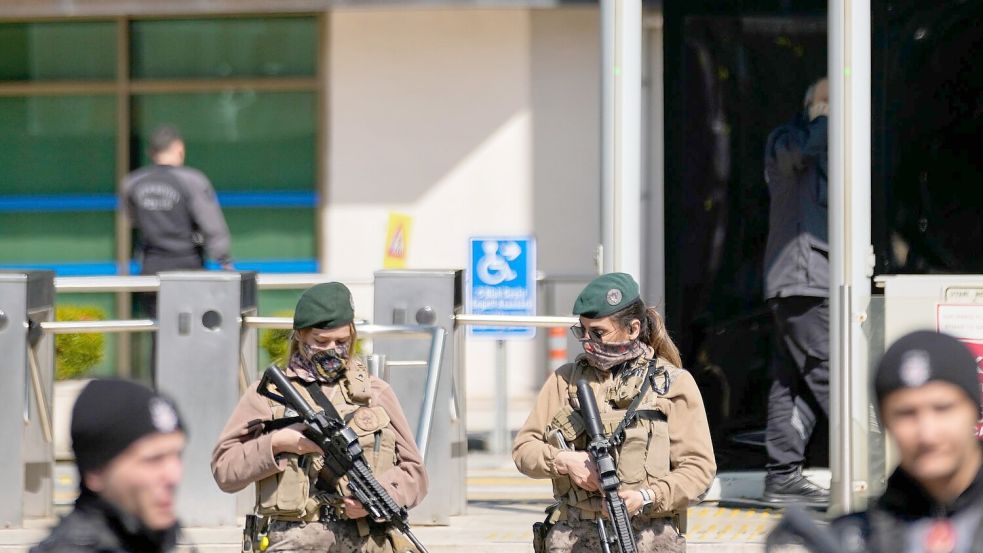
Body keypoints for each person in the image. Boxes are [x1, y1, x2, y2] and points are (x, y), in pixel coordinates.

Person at [211, 282, 428, 552]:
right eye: (321, 341)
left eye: (342, 342)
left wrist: (379, 496)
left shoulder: (375, 392)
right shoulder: (268, 394)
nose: (332, 349)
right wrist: (277, 443)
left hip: (365, 540)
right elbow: (224, 470)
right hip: (295, 539)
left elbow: (415, 474)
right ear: (300, 336)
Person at [513, 272, 716, 553]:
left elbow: (699, 469)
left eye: (598, 332)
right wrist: (564, 460)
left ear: (633, 329)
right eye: (581, 330)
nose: (586, 340)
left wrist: (647, 496)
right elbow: (524, 450)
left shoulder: (671, 383)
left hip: (649, 538)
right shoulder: (565, 380)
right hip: (574, 537)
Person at [768, 330, 983, 552]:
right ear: (885, 422)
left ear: (975, 412)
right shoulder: (858, 537)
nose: (927, 434)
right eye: (906, 414)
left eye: (943, 409)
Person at [761, 77, 831, 506]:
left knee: (792, 383)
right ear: (810, 105)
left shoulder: (833, 150)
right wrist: (823, 120)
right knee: (835, 378)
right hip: (803, 282)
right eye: (826, 99)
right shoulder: (788, 140)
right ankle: (879, 472)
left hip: (815, 281)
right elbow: (796, 158)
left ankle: (783, 475)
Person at [32, 379, 187, 553]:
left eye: (177, 456)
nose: (174, 476)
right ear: (96, 471)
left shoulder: (143, 540)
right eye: (153, 460)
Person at [123, 125, 233, 277]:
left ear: (151, 152)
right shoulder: (192, 180)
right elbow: (211, 225)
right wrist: (224, 261)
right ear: (179, 148)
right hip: (188, 264)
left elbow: (130, 219)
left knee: (154, 301)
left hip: (151, 265)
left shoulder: (132, 182)